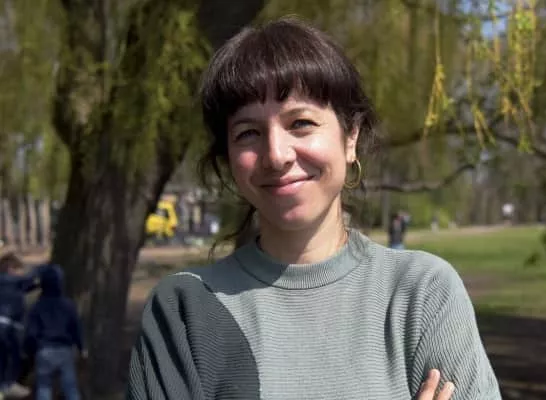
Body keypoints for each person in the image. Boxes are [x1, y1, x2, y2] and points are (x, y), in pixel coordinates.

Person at [127, 18, 501, 399]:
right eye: (248, 133)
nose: (276, 155)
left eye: (301, 123)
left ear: (350, 137)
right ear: (228, 158)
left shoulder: (421, 293)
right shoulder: (184, 311)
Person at [24, 264, 86, 400]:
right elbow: (76, 328)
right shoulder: (68, 305)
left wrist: (30, 351)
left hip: (44, 350)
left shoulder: (37, 307)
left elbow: (31, 333)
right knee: (70, 387)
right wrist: (82, 348)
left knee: (44, 387)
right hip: (65, 350)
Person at [0, 253, 44, 399]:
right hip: (6, 325)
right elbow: (28, 279)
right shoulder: (6, 280)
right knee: (12, 355)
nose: (21, 273)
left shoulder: (12, 284)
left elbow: (27, 285)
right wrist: (42, 269)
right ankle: (7, 384)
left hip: (9, 325)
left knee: (10, 355)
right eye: (19, 269)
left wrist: (39, 284)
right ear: (10, 269)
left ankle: (6, 384)